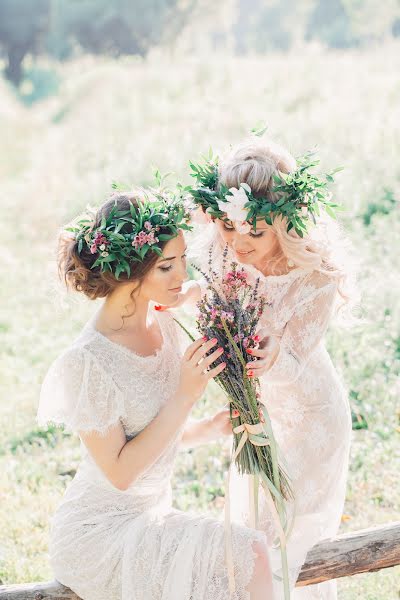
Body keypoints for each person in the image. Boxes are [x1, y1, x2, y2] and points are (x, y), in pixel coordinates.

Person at [36, 189, 275, 600]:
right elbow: (122, 471)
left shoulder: (162, 318)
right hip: (101, 535)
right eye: (167, 266)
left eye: (182, 259)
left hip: (151, 516)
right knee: (249, 551)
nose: (180, 274)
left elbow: (155, 434)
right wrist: (185, 394)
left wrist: (210, 427)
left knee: (248, 556)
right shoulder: (87, 362)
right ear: (129, 270)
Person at [162, 138, 354, 599]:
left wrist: (275, 358)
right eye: (229, 226)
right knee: (253, 542)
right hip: (256, 414)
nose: (239, 242)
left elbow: (299, 364)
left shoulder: (316, 274)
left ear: (284, 223)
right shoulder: (222, 248)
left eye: (255, 232)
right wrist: (190, 297)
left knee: (286, 544)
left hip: (311, 418)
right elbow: (213, 295)